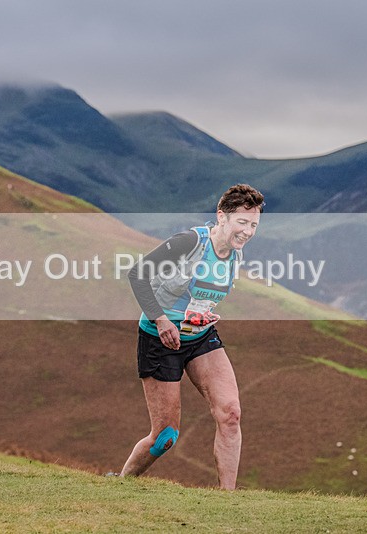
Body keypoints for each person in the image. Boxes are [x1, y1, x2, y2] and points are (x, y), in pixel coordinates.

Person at [117, 184, 264, 489]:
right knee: (165, 437)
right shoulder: (191, 242)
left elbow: (197, 297)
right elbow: (137, 274)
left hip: (200, 337)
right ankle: (121, 484)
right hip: (159, 340)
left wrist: (202, 315)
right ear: (221, 217)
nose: (248, 231)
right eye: (242, 222)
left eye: (253, 225)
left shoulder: (236, 252)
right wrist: (161, 321)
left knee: (231, 414)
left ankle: (227, 500)